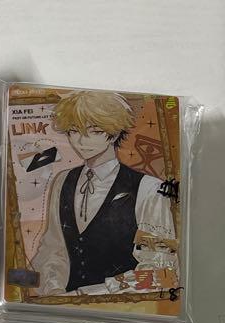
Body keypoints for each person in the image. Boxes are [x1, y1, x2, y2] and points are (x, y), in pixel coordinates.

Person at [31, 89, 177, 296]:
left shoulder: (149, 189)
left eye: (94, 131)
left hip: (126, 309)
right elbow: (53, 249)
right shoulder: (62, 181)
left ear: (114, 134)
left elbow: (160, 271)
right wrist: (54, 290)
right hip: (64, 307)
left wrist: (86, 295)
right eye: (73, 131)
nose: (81, 141)